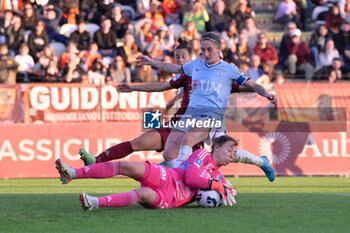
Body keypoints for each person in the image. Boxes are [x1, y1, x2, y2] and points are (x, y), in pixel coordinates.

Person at [80, 38, 275, 182]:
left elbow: (245, 85)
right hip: (181, 122)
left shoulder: (221, 74)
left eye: (183, 56)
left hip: (206, 122)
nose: (181, 60)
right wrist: (134, 86)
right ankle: (96, 160)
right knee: (140, 142)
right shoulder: (187, 74)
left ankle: (257, 163)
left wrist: (264, 92)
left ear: (191, 57)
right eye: (177, 57)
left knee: (225, 156)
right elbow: (162, 85)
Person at [133, 32, 277, 169]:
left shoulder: (229, 69)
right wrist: (151, 61)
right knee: (170, 153)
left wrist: (266, 94)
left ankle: (182, 182)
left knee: (189, 140)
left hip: (212, 116)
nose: (206, 53)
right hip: (190, 115)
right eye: (203, 50)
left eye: (209, 49)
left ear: (219, 49)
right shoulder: (196, 65)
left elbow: (253, 85)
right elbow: (174, 68)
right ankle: (261, 162)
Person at [56, 135, 239, 210]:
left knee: (143, 194)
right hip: (168, 176)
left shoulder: (220, 177)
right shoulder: (201, 154)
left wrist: (226, 191)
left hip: (172, 198)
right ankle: (73, 173)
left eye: (234, 153)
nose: (232, 155)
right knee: (129, 166)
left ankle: (95, 202)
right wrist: (217, 186)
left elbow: (216, 191)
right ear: (216, 147)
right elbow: (191, 177)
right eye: (229, 150)